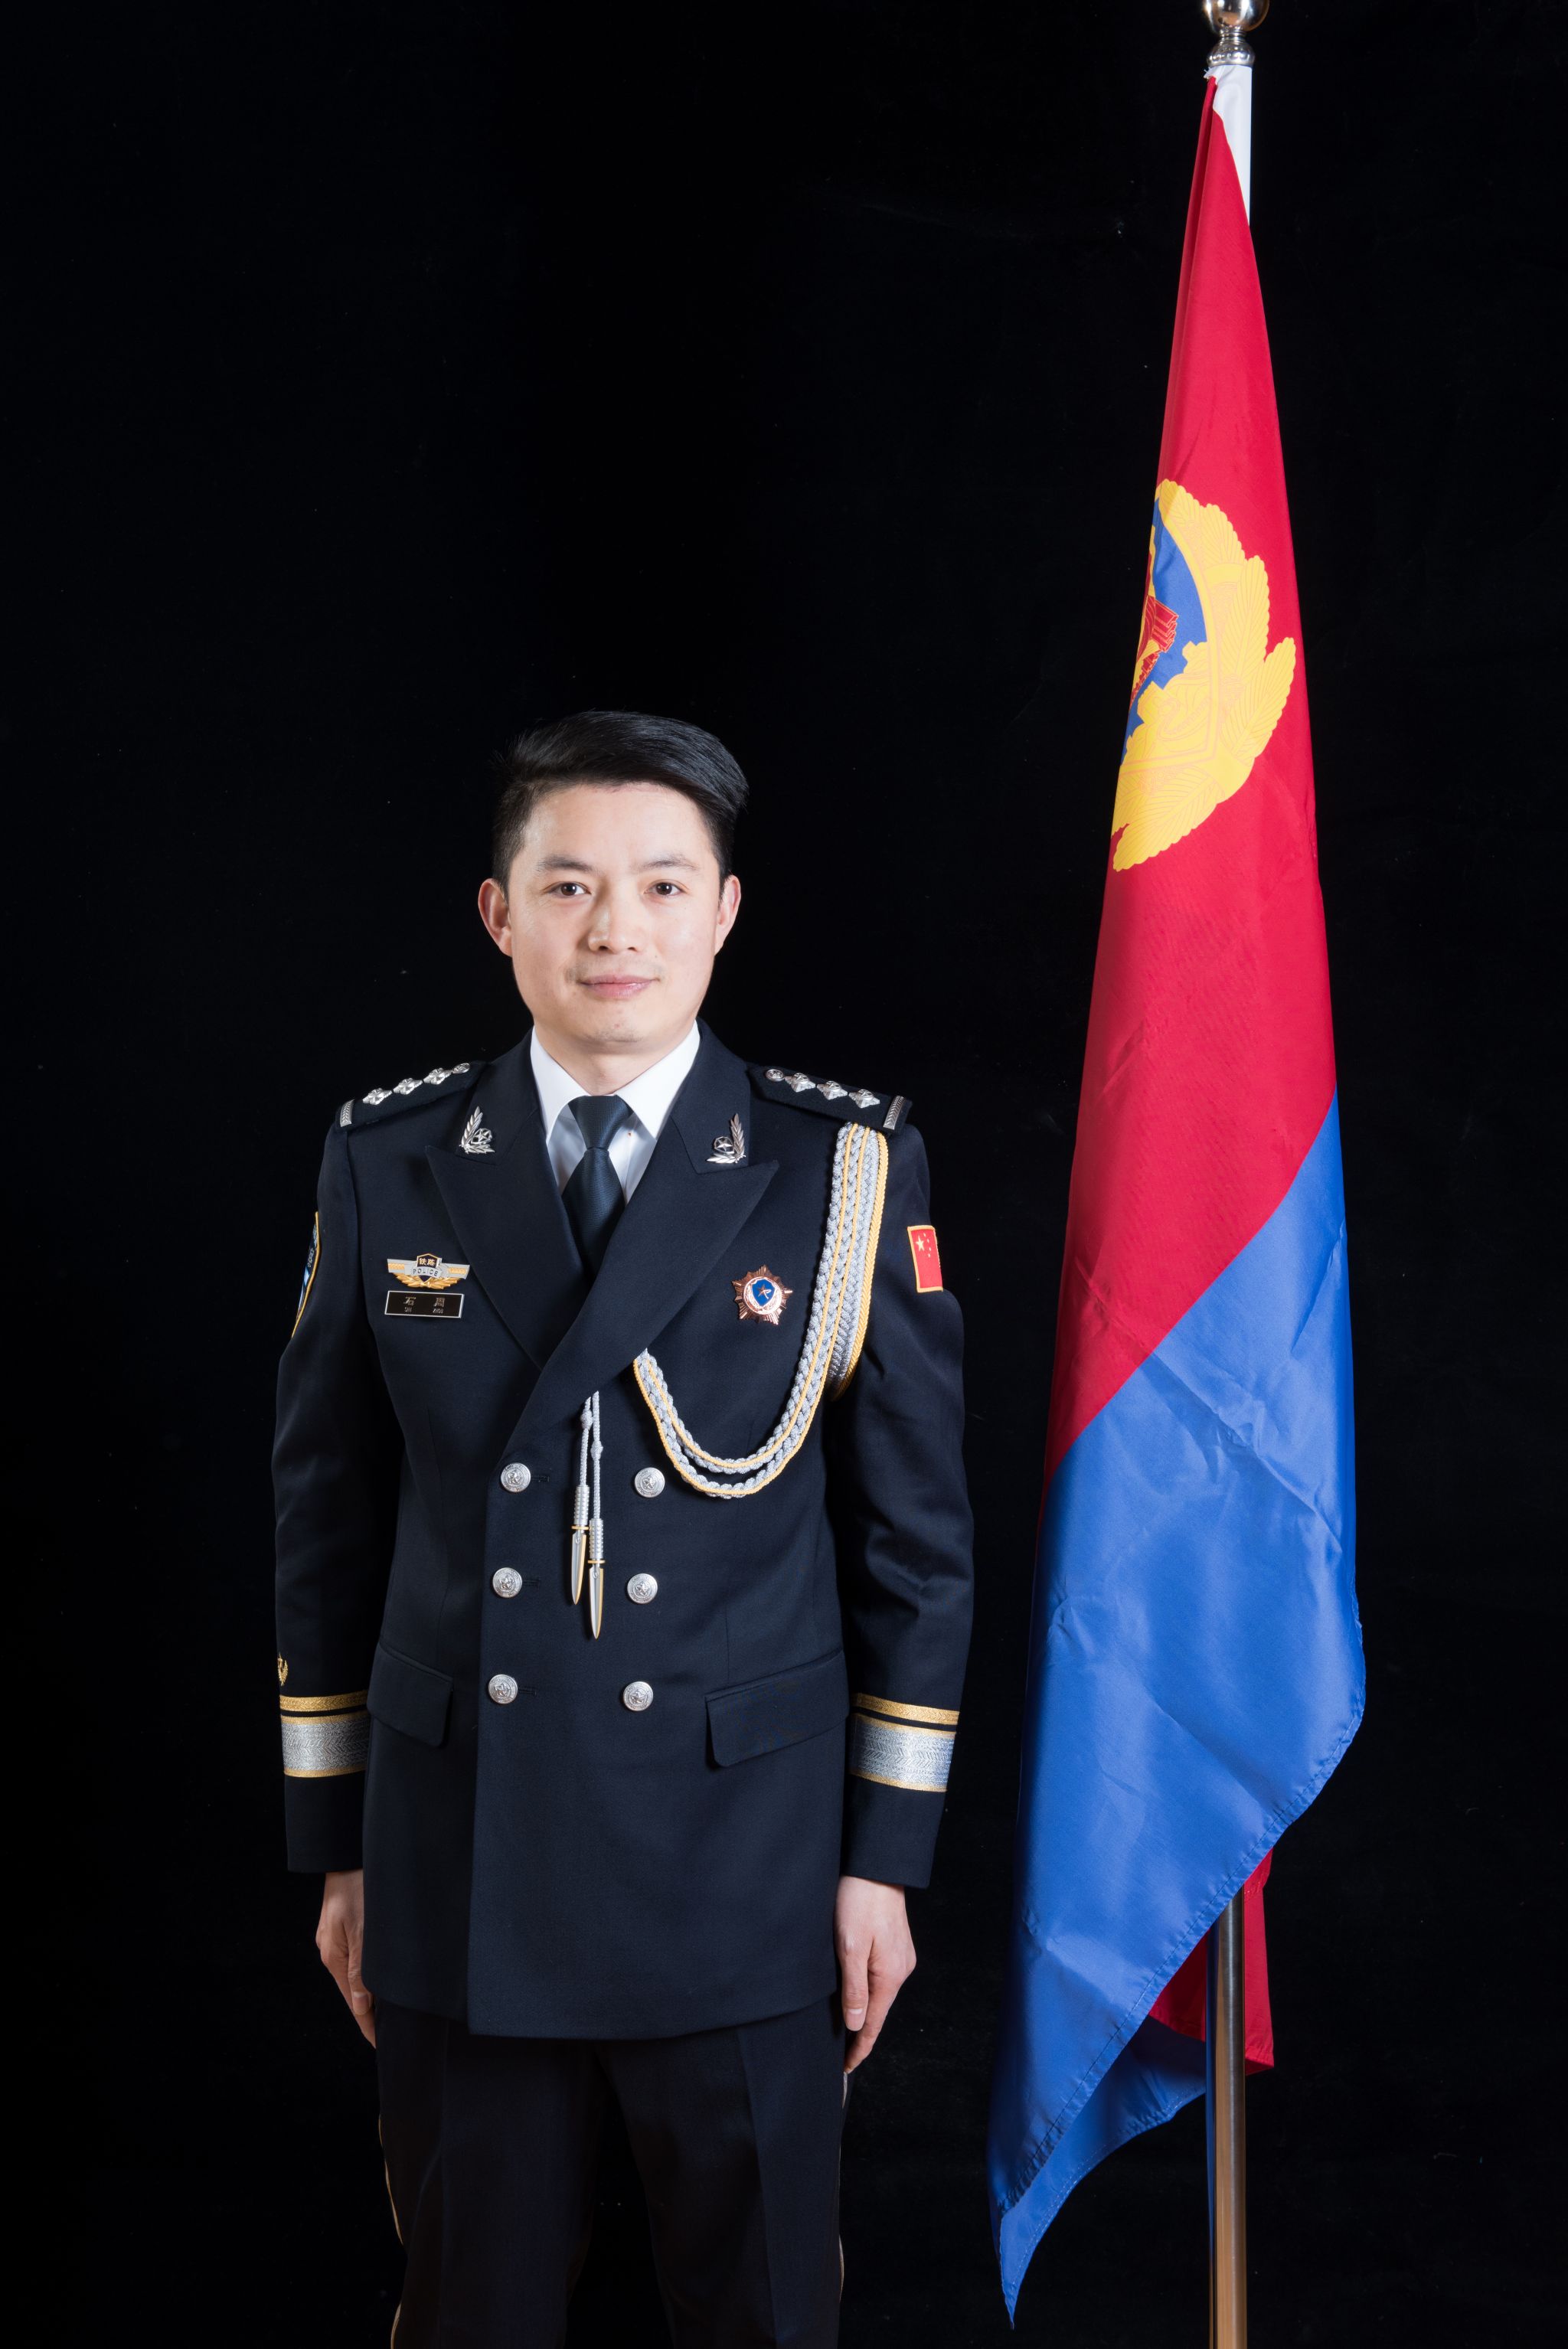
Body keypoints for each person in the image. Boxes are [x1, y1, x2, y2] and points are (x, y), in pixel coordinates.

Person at [273, 708, 974, 2347]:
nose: (617, 930)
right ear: (498, 913)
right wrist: (339, 1846)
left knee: (763, 2314)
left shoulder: (840, 1170)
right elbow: (325, 1519)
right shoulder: (391, 1160)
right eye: (570, 884)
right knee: (472, 2310)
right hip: (462, 1856)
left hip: (745, 1866)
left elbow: (917, 1549)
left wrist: (883, 1862)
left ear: (722, 912)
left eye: (662, 886)